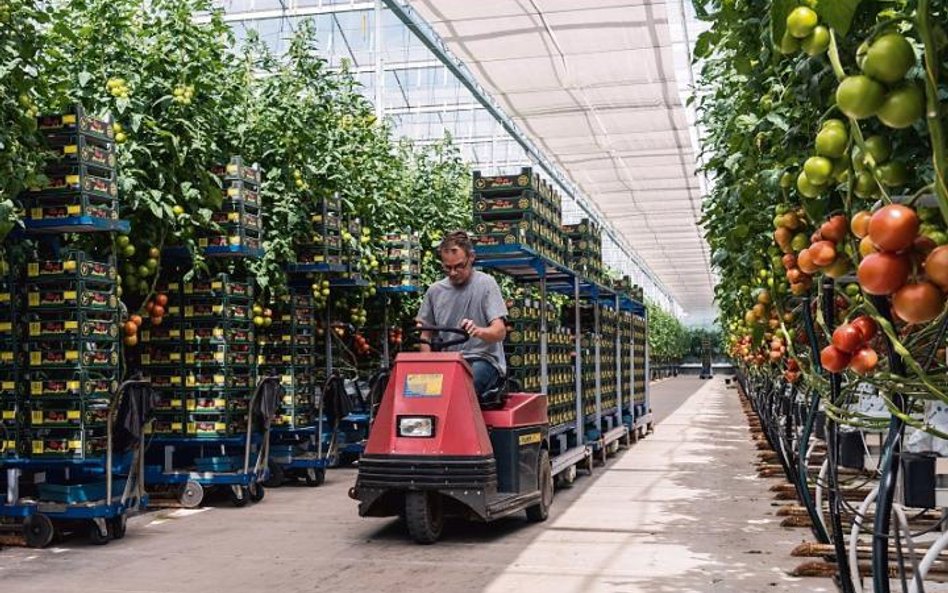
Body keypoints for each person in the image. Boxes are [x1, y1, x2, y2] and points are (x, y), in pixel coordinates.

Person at [416, 230, 508, 398]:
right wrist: (427, 366)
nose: (453, 273)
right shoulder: (434, 291)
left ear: (471, 258)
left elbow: (500, 331)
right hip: (447, 362)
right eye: (447, 268)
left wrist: (478, 331)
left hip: (481, 359)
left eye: (459, 266)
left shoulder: (486, 284)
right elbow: (425, 335)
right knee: (415, 391)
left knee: (460, 389)